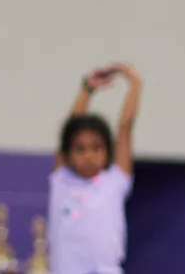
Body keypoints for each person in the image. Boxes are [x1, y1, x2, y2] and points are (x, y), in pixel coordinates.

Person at [50, 62, 142, 274]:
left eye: (96, 148)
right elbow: (72, 126)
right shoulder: (62, 179)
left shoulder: (115, 181)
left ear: (108, 151)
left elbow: (125, 126)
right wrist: (87, 90)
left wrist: (134, 82)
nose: (88, 155)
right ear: (67, 153)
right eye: (80, 149)